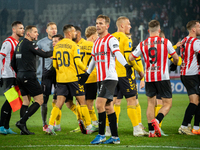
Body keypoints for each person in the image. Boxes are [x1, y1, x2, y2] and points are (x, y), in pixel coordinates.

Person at [77, 15, 135, 144]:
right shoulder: (96, 42)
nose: (98, 25)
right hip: (100, 78)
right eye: (97, 23)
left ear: (107, 26)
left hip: (110, 78)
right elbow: (93, 59)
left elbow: (117, 52)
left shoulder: (111, 39)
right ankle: (115, 137)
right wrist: (86, 74)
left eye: (101, 23)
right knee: (108, 107)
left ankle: (101, 135)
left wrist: (126, 65)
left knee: (99, 104)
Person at [129, 20, 179, 137]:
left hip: (149, 77)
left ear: (148, 31)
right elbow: (175, 58)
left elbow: (131, 57)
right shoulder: (165, 42)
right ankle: (156, 120)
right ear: (159, 30)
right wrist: (175, 63)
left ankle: (151, 131)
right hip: (162, 77)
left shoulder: (142, 44)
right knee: (167, 104)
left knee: (150, 104)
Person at [46, 24, 96, 135]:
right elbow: (78, 62)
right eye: (74, 32)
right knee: (82, 102)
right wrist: (87, 70)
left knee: (58, 104)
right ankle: (88, 126)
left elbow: (55, 64)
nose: (75, 33)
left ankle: (50, 126)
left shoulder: (57, 46)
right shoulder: (74, 45)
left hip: (61, 79)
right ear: (69, 33)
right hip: (73, 78)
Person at [105, 16, 146, 137]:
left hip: (111, 75)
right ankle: (137, 129)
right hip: (124, 74)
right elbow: (129, 58)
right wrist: (139, 71)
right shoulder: (125, 38)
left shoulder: (109, 38)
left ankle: (109, 129)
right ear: (122, 25)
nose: (130, 26)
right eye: (128, 24)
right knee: (131, 101)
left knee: (113, 102)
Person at [11, 25, 53, 135]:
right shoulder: (30, 44)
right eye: (35, 32)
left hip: (20, 76)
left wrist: (20, 72)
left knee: (26, 101)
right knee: (40, 100)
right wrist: (56, 50)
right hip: (29, 77)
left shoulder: (19, 44)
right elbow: (44, 54)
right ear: (28, 33)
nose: (37, 34)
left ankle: (23, 129)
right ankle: (21, 122)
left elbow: (12, 63)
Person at [155, 30, 182, 136]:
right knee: (165, 103)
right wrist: (176, 61)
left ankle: (152, 128)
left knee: (155, 103)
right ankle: (158, 125)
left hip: (151, 77)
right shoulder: (165, 48)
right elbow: (177, 60)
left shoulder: (148, 46)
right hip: (162, 78)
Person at [0, 21, 24, 135]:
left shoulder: (17, 42)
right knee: (10, 101)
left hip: (14, 76)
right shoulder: (8, 42)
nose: (23, 30)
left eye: (23, 28)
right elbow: (0, 58)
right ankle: (1, 126)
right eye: (20, 28)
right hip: (8, 75)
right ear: (14, 30)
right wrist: (0, 76)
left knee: (13, 102)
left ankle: (6, 127)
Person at [178, 20, 200, 135]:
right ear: (193, 29)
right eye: (199, 27)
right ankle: (184, 126)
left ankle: (193, 126)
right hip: (191, 75)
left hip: (185, 73)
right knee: (195, 101)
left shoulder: (184, 40)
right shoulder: (195, 42)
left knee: (196, 101)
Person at [37, 22, 57, 131]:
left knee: (58, 99)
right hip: (46, 74)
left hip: (58, 74)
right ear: (47, 30)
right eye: (52, 29)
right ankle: (44, 123)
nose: (54, 30)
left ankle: (54, 122)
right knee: (44, 99)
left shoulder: (61, 42)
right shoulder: (40, 43)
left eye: (55, 28)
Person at [78, 26, 99, 128]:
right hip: (92, 77)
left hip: (80, 77)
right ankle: (94, 122)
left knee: (81, 102)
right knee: (90, 103)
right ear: (93, 36)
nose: (98, 37)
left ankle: (83, 122)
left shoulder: (79, 45)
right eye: (97, 35)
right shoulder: (94, 46)